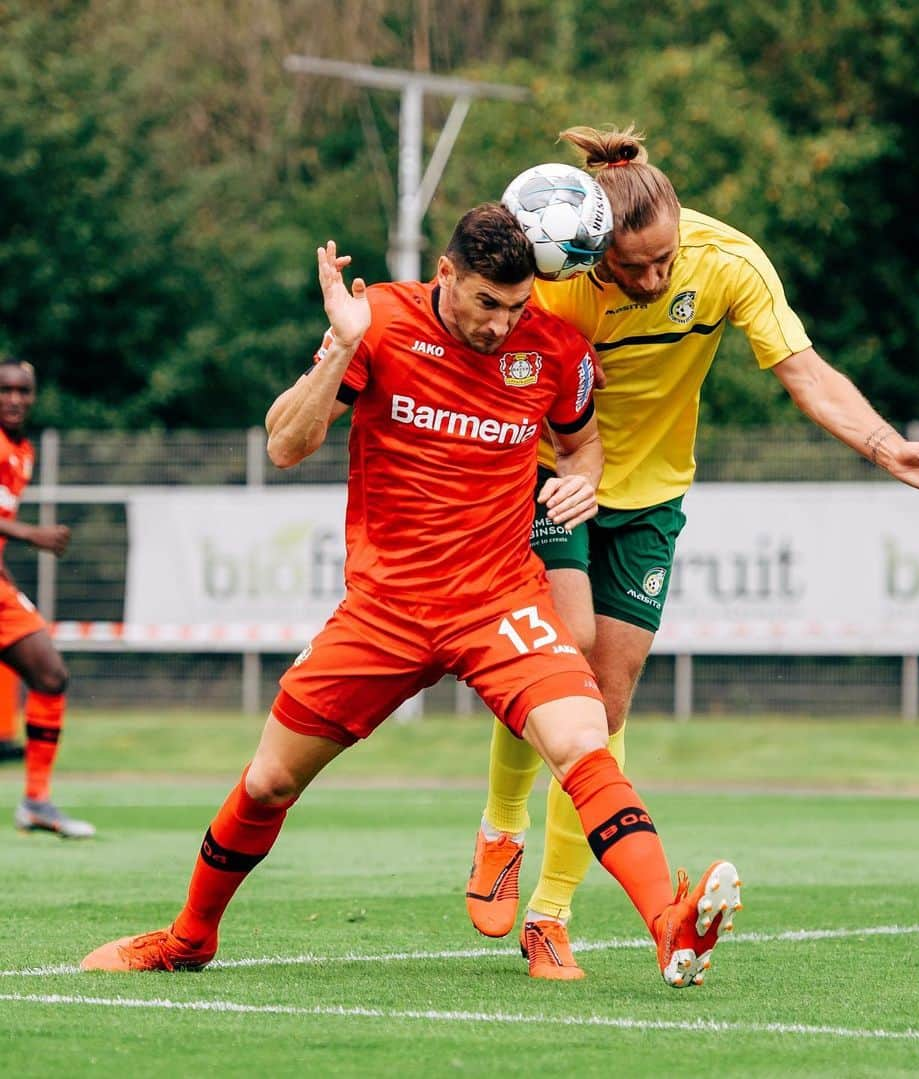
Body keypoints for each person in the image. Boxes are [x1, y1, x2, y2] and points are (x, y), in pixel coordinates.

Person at [80, 204, 742, 989]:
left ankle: (667, 922)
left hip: (499, 599)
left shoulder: (556, 348)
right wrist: (341, 348)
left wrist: (581, 482)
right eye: (486, 304)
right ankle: (190, 937)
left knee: (584, 738)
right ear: (447, 275)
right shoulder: (380, 323)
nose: (502, 325)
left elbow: (583, 441)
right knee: (268, 782)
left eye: (518, 306)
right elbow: (286, 444)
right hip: (385, 609)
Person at [467, 124, 919, 980]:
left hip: (654, 494)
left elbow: (805, 371)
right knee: (562, 660)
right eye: (629, 268)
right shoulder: (556, 287)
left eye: (663, 260)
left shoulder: (728, 260)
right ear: (592, 253)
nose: (651, 278)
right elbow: (472, 341)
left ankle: (549, 915)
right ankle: (501, 830)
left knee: (607, 701)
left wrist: (886, 444)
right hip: (554, 475)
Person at [0, 357, 95, 838]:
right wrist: (29, 534)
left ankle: (36, 800)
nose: (15, 399)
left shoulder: (23, 451)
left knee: (50, 674)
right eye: (5, 390)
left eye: (24, 390)